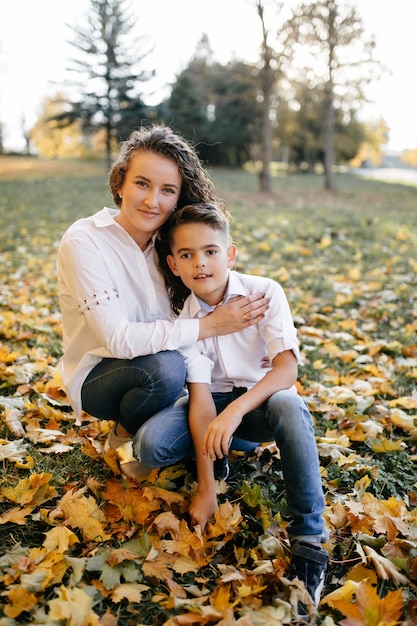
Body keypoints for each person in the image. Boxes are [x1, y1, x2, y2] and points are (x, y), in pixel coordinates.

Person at [56, 125, 269, 481]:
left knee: (245, 440)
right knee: (165, 370)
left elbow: (214, 296)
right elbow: (119, 340)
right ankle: (124, 434)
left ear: (178, 197)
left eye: (167, 190)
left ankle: (176, 432)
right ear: (120, 183)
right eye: (142, 183)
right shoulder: (84, 241)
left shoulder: (174, 246)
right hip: (103, 374)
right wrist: (208, 327)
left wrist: (254, 343)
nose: (153, 201)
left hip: (178, 371)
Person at [158, 201, 329, 612]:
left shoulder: (264, 292)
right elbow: (200, 399)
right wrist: (206, 488)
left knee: (289, 404)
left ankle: (310, 541)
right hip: (214, 403)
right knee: (153, 446)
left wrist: (234, 413)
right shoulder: (189, 317)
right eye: (187, 255)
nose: (200, 263)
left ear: (230, 254)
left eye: (210, 251)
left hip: (261, 403)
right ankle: (221, 458)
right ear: (174, 265)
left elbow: (286, 369)